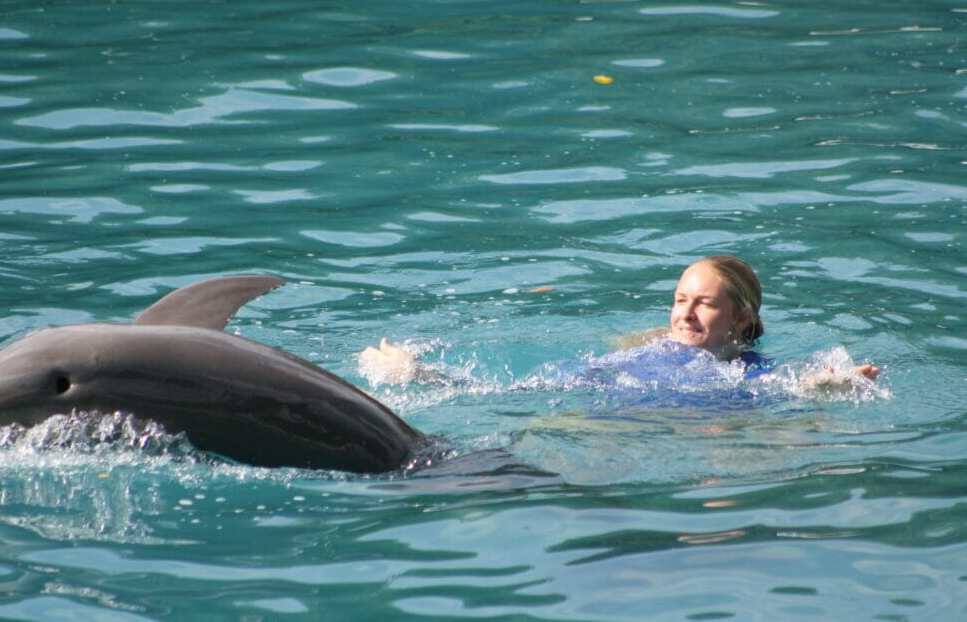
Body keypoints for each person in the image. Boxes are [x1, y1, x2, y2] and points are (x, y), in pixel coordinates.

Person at [359, 255, 880, 387]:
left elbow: (790, 388)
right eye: (679, 299)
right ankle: (418, 375)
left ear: (741, 318)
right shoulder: (650, 342)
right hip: (583, 393)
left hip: (637, 427)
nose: (685, 313)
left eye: (704, 303)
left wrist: (826, 386)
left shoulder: (745, 371)